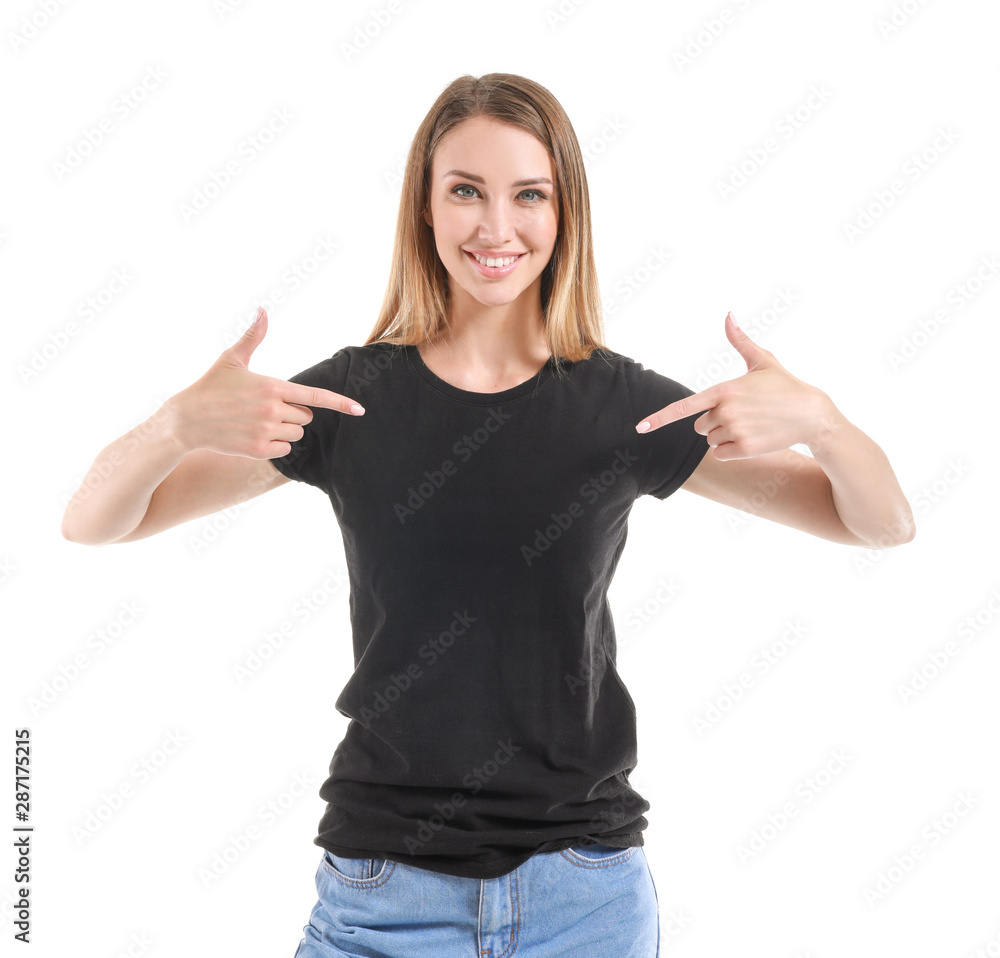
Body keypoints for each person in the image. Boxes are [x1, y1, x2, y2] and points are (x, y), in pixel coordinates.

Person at [61, 73, 915, 957]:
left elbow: (879, 524)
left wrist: (824, 422)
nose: (496, 228)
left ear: (565, 213)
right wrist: (173, 425)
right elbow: (95, 522)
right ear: (425, 210)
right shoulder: (349, 401)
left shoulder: (624, 409)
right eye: (466, 191)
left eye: (529, 195)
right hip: (384, 896)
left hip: (584, 901)